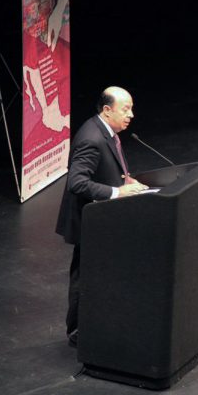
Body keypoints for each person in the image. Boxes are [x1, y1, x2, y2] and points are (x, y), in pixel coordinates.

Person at [55, 86, 149, 348]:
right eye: (125, 109)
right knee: (83, 276)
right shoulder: (91, 138)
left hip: (103, 220)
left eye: (131, 108)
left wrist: (124, 177)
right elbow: (77, 182)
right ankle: (77, 332)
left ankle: (99, 322)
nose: (131, 114)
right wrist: (118, 191)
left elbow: (105, 167)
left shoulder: (107, 131)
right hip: (90, 222)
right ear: (107, 111)